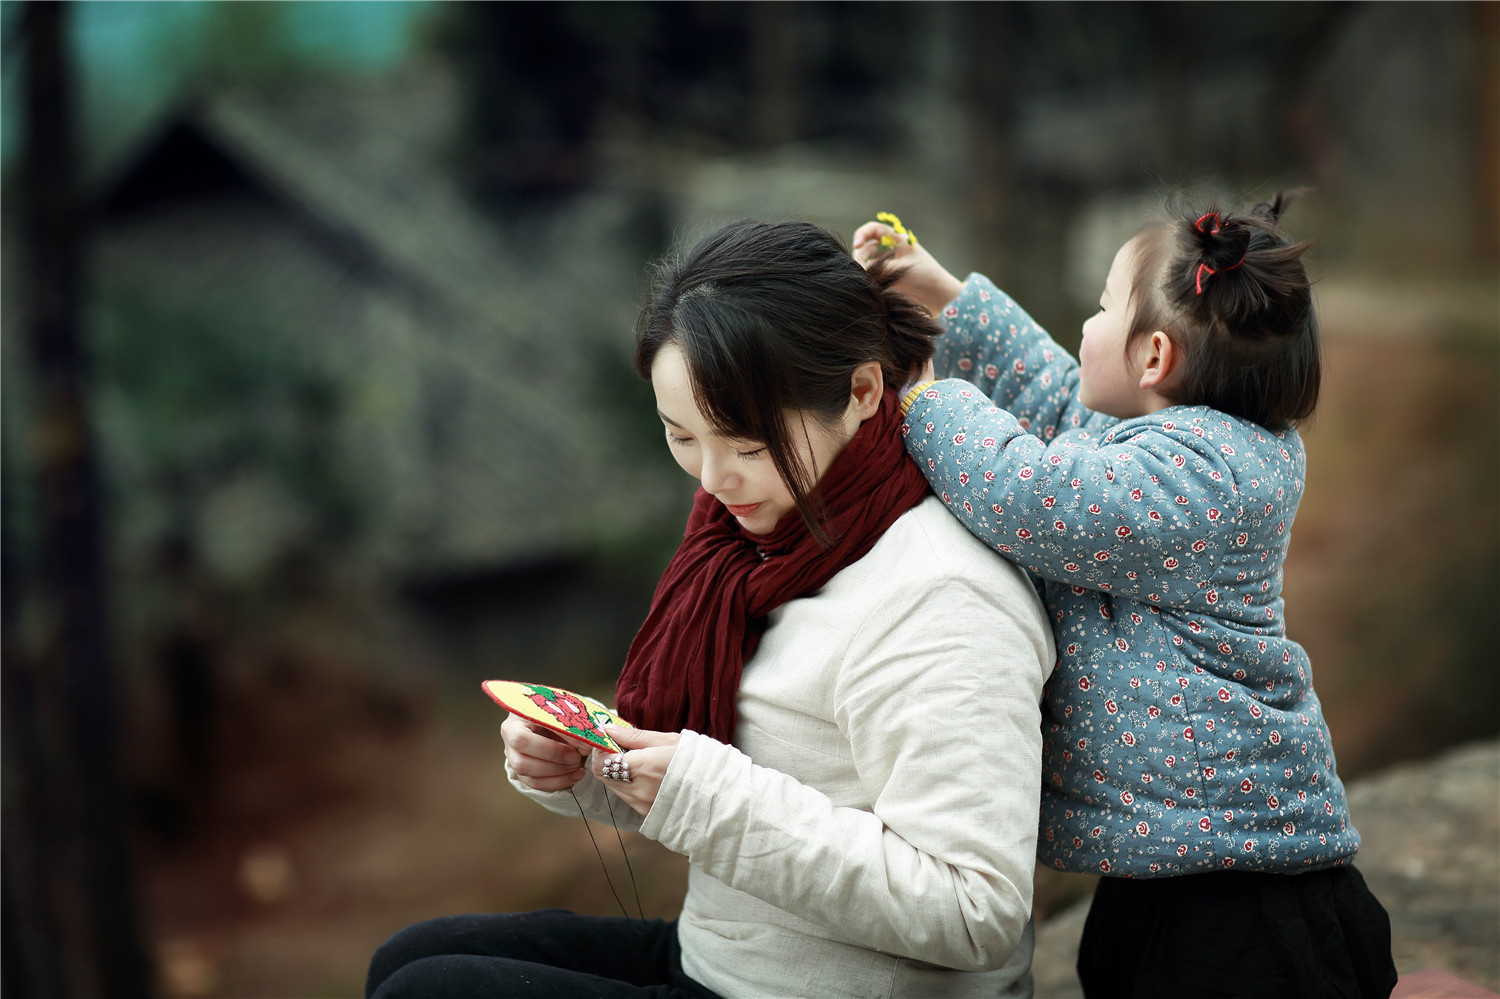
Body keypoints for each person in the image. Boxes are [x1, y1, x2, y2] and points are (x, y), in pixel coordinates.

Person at [364, 220, 1056, 999]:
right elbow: (751, 772)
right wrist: (592, 769)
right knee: (408, 958)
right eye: (682, 436)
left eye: (747, 445)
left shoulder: (939, 596)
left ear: (862, 393)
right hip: (731, 957)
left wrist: (702, 794)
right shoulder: (752, 551)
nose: (714, 478)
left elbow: (976, 911)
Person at [852, 197, 1398, 998]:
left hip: (1241, 888)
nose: (1085, 323)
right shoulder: (1170, 442)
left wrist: (929, 398)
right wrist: (942, 295)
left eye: (1103, 307)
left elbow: (1029, 493)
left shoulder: (1202, 480)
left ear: (1152, 357)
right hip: (1171, 852)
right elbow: (1051, 394)